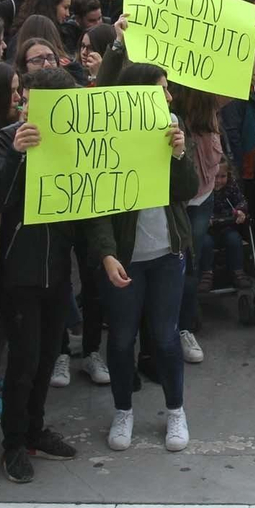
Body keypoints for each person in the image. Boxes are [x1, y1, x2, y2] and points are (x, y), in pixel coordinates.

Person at [86, 63, 198, 451]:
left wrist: (180, 154)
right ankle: (123, 411)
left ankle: (176, 411)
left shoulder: (172, 125)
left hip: (167, 254)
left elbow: (188, 190)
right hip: (126, 259)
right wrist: (106, 253)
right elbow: (96, 202)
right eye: (161, 90)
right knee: (120, 339)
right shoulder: (110, 136)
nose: (170, 97)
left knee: (165, 338)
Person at [0, 67, 82, 484]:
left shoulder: (73, 139)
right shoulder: (7, 139)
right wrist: (18, 155)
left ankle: (34, 429)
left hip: (59, 269)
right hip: (20, 271)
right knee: (23, 361)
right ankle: (12, 443)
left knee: (47, 357)